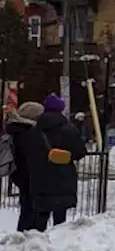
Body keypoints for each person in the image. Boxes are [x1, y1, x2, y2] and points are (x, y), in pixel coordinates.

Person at [15, 95, 87, 231]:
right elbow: (80, 152)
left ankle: (36, 247)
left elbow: (27, 155)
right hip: (65, 182)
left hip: (40, 183)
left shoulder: (33, 132)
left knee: (38, 224)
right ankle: (58, 249)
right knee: (60, 225)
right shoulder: (69, 130)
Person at [4, 102, 45, 231]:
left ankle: (24, 232)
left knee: (26, 204)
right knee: (31, 207)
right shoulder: (30, 133)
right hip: (30, 173)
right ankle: (27, 234)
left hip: (19, 172)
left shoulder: (15, 130)